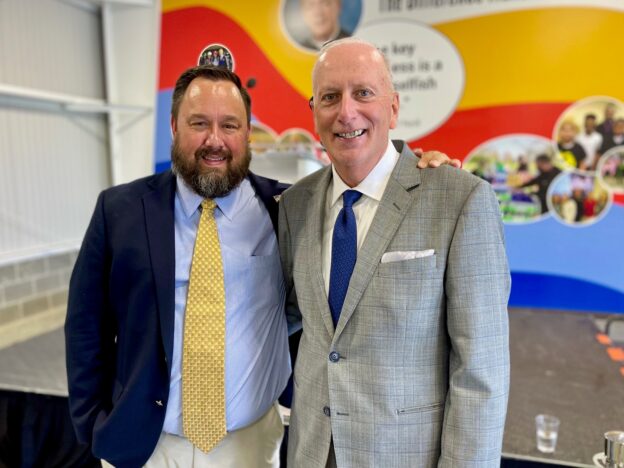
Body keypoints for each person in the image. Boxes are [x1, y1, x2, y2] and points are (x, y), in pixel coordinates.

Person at [65, 64, 457, 467]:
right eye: (199, 123)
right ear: (174, 126)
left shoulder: (291, 209)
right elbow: (85, 327)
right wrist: (92, 423)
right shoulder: (120, 210)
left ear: (248, 131)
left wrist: (418, 167)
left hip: (250, 447)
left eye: (230, 125)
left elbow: (367, 186)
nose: (214, 140)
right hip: (144, 446)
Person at [278, 38, 511, 468]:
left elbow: (481, 374)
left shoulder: (459, 200)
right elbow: (297, 318)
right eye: (330, 97)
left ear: (393, 107)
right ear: (314, 113)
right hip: (311, 451)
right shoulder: (295, 205)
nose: (346, 112)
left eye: (363, 93)